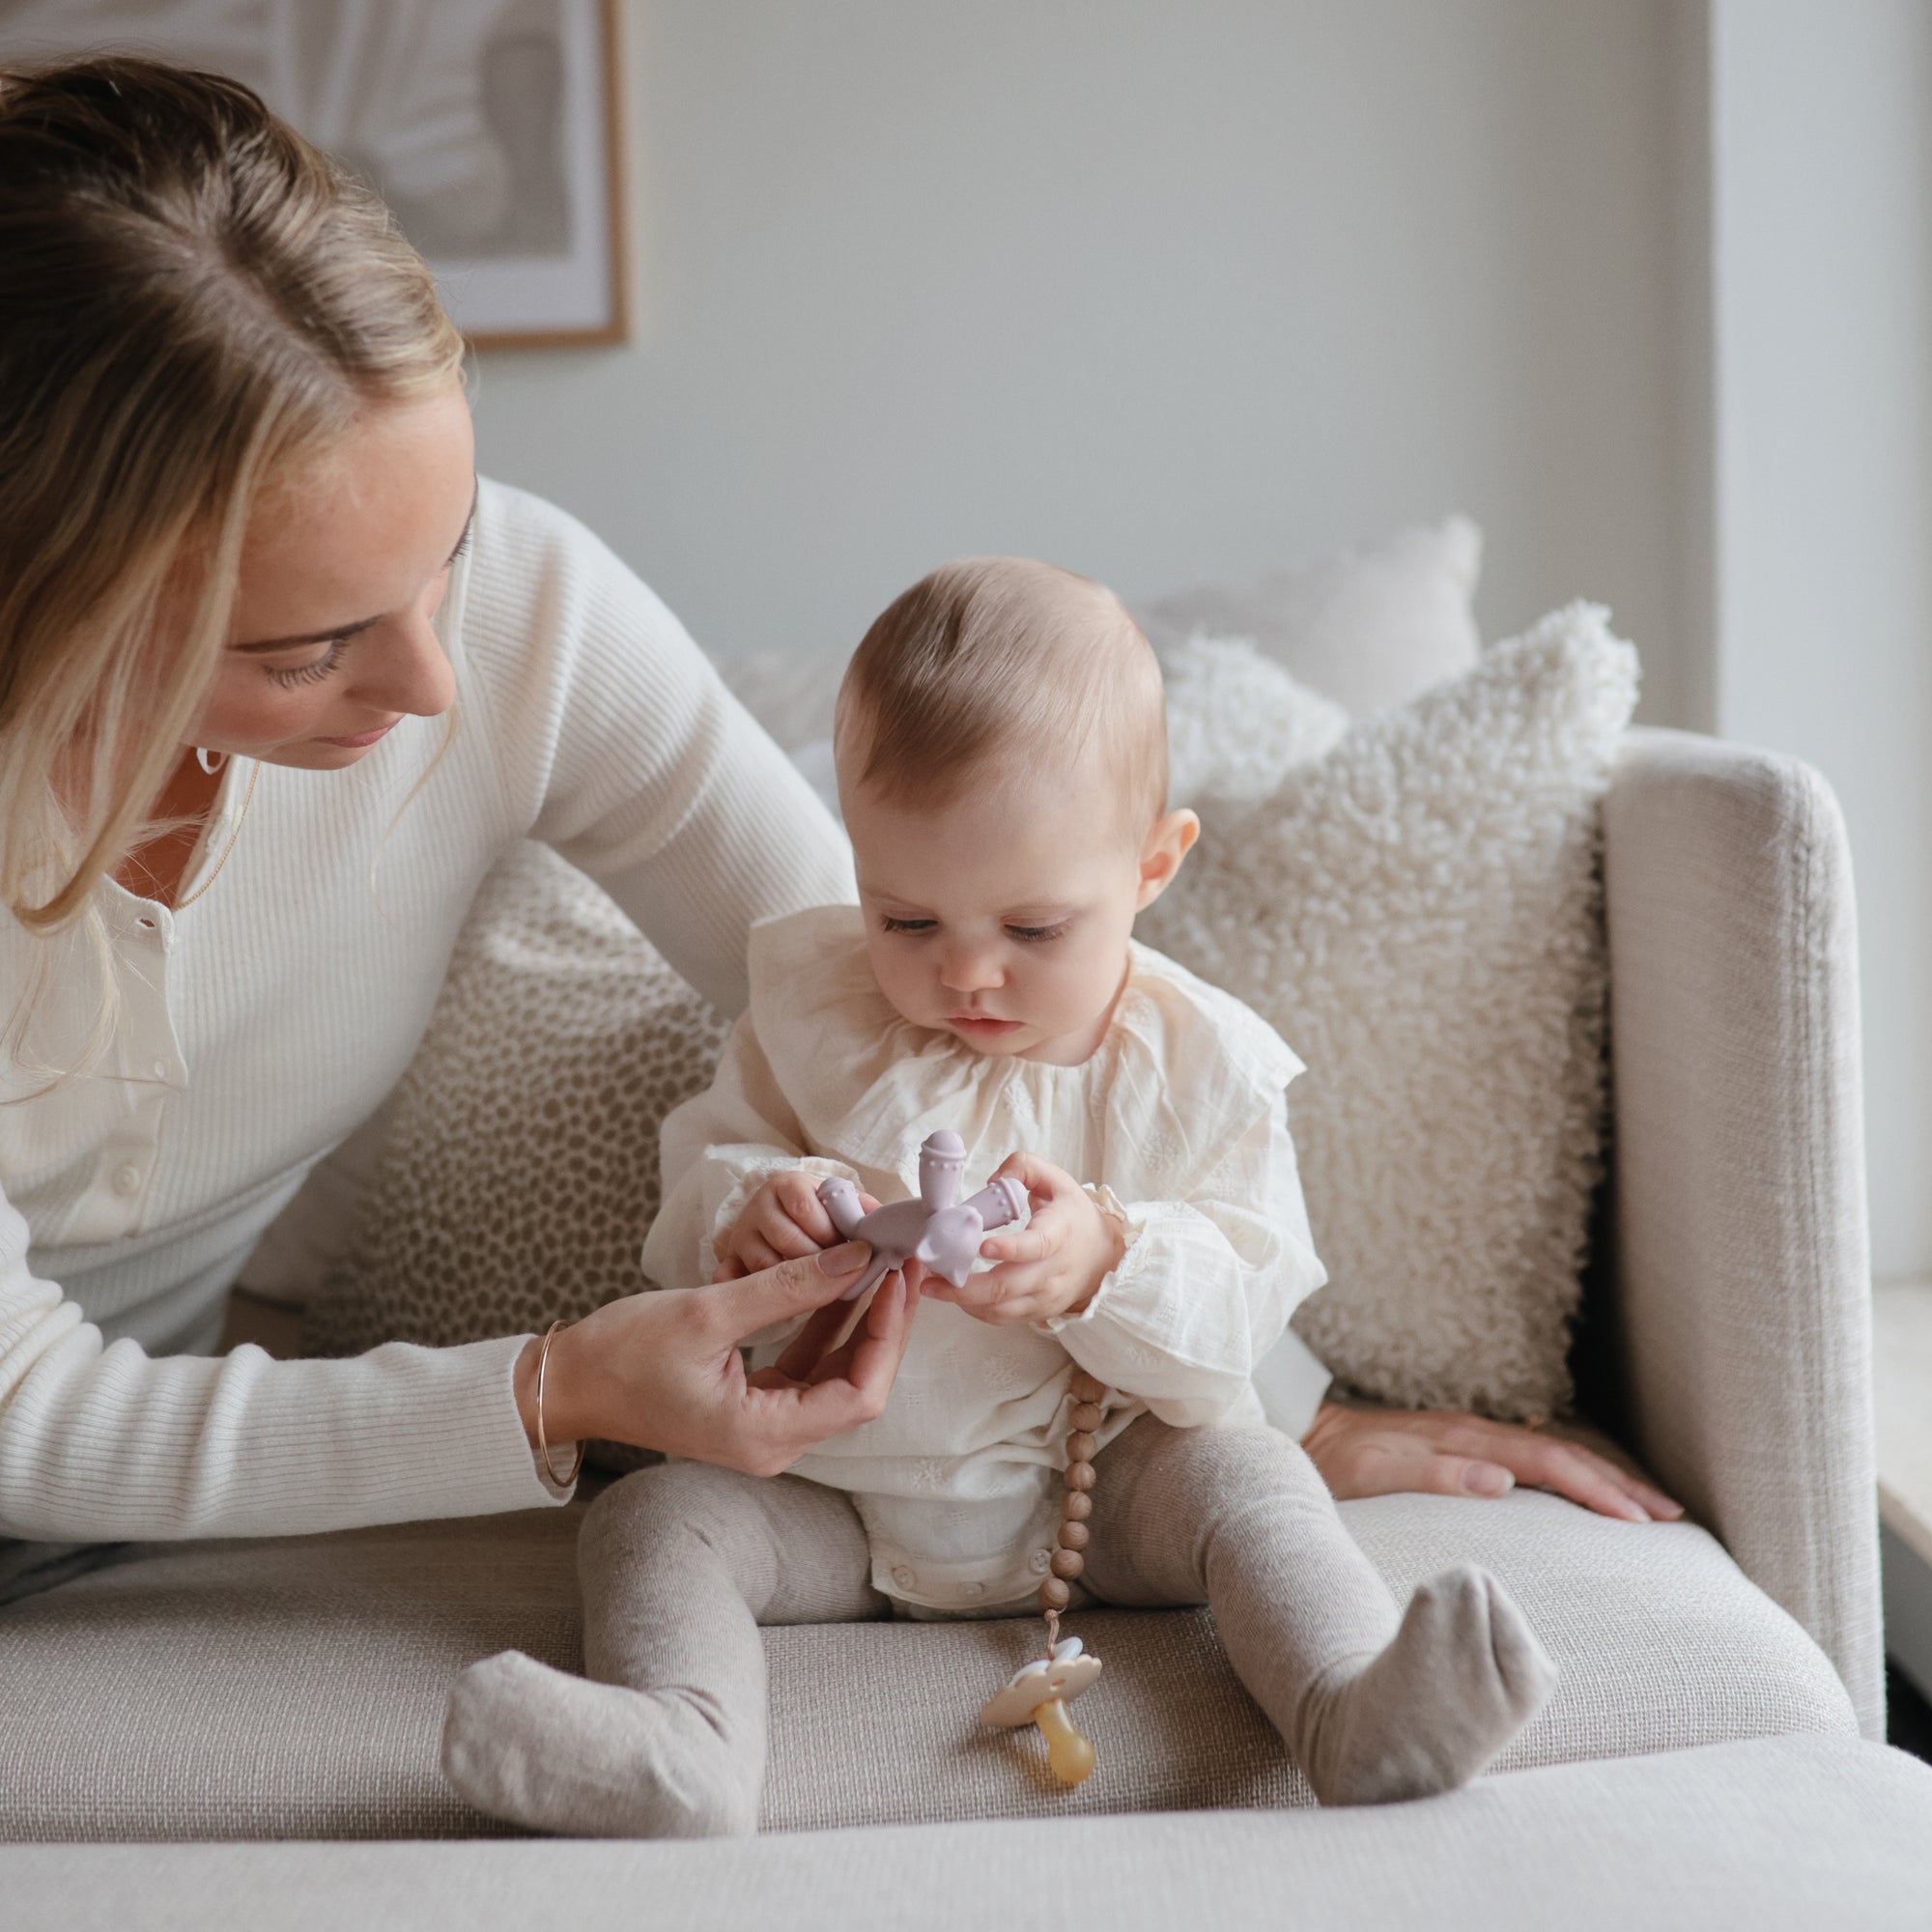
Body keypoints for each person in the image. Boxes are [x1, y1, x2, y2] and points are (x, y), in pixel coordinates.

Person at [0, 58, 1673, 1591]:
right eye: (310, 651)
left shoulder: (528, 622)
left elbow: (898, 1032)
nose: (438, 686)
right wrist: (553, 1387)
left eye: (442, 555)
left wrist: (1265, 1411)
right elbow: (25, 1416)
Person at [440, 560, 1563, 1834]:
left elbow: (1249, 1293)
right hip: (832, 1499)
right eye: (905, 916)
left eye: (1033, 929)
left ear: (1152, 864)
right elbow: (701, 1183)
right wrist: (757, 1209)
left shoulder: (1201, 1067)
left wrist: (1109, 1258)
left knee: (1248, 1478)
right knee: (654, 1522)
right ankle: (681, 1752)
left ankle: (1353, 1709)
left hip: (1100, 1498)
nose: (966, 973)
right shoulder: (812, 1017)